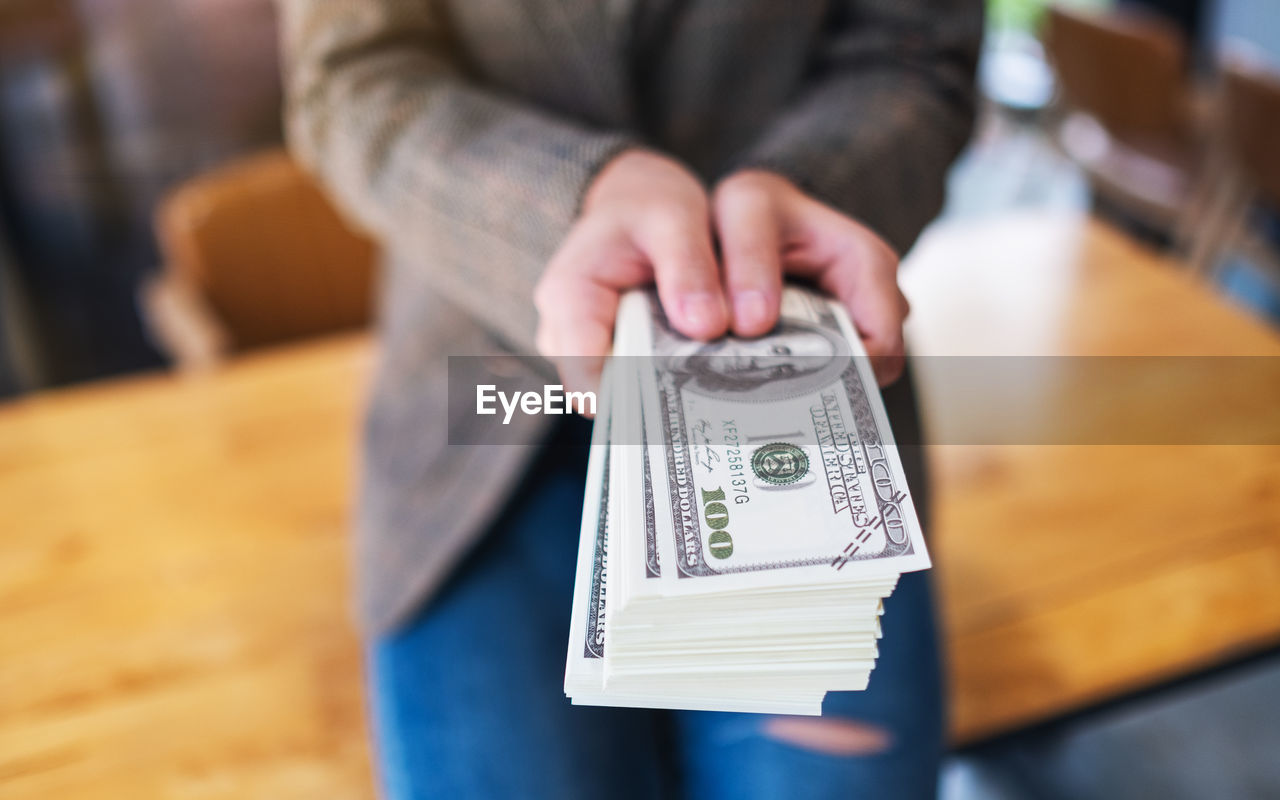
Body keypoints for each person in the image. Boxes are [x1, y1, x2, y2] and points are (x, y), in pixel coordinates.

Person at [278, 1, 981, 797]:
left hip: (782, 367)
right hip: (478, 408)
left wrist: (806, 188)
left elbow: (913, 57)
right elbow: (350, 78)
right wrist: (576, 200)